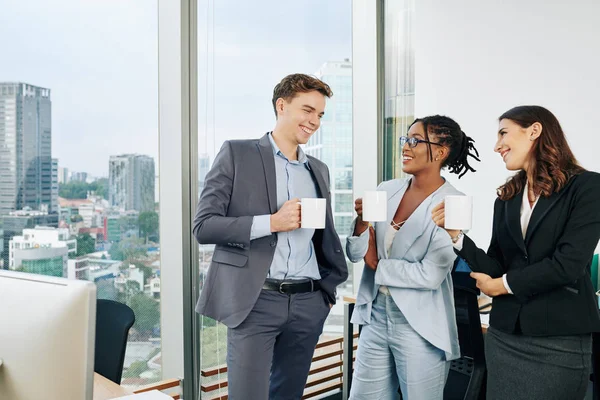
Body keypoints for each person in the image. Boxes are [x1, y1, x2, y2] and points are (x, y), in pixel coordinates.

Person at [193, 73, 348, 400]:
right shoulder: (238, 154)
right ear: (282, 105)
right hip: (256, 301)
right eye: (308, 110)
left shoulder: (318, 170)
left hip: (308, 301)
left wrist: (325, 294)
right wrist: (272, 222)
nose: (314, 121)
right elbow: (204, 226)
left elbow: (321, 239)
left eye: (320, 114)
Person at [432, 105, 600, 400]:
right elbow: (497, 263)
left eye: (503, 133)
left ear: (534, 131)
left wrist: (503, 286)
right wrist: (457, 236)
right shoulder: (507, 198)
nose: (497, 146)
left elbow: (568, 265)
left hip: (558, 340)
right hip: (505, 337)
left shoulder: (587, 187)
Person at [347, 115, 480, 399]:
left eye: (415, 141)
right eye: (405, 139)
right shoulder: (386, 190)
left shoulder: (453, 204)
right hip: (375, 314)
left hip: (420, 324)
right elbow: (355, 253)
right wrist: (360, 224)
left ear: (441, 152)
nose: (405, 147)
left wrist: (378, 265)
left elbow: (430, 275)